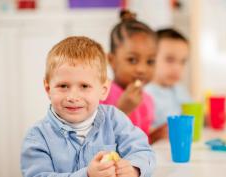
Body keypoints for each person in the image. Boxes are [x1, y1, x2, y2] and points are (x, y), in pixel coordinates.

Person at [20, 36, 155, 177]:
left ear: (103, 90)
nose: (72, 97)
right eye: (63, 86)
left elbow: (143, 151)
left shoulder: (114, 120)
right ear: (48, 88)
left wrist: (134, 168)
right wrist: (87, 175)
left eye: (84, 86)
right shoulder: (37, 137)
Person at [101, 10, 157, 137]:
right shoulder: (101, 95)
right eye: (132, 60)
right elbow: (97, 141)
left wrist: (157, 135)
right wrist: (123, 111)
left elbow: (140, 142)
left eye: (150, 61)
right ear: (111, 60)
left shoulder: (148, 100)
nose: (142, 69)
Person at [145, 28, 192, 142]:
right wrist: (154, 135)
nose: (177, 68)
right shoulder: (144, 93)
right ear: (151, 59)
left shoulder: (180, 89)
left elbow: (192, 116)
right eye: (170, 59)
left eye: (182, 61)